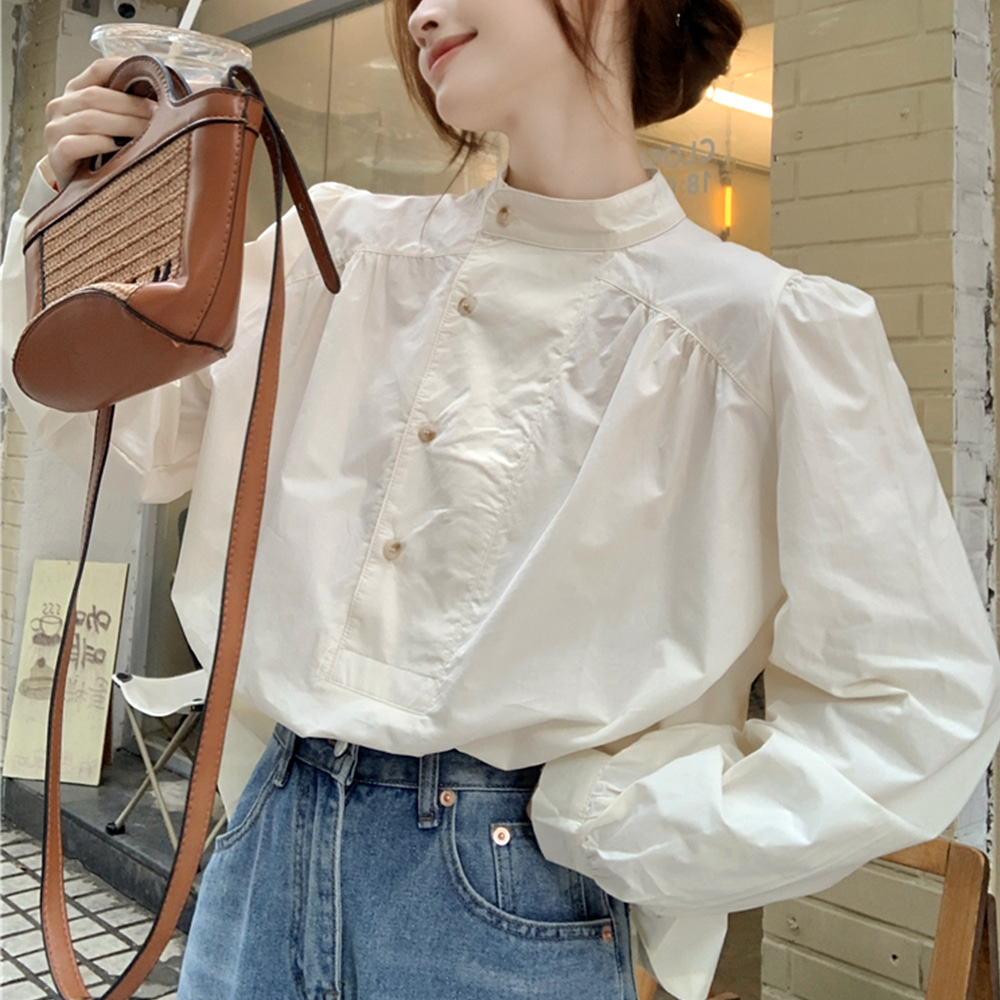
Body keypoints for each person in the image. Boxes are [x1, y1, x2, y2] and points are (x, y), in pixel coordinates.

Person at [3, 1, 1000, 999]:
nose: (423, 14)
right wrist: (79, 210)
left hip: (513, 893)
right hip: (264, 847)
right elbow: (135, 437)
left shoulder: (759, 332)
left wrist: (616, 821)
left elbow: (912, 701)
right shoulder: (334, 251)